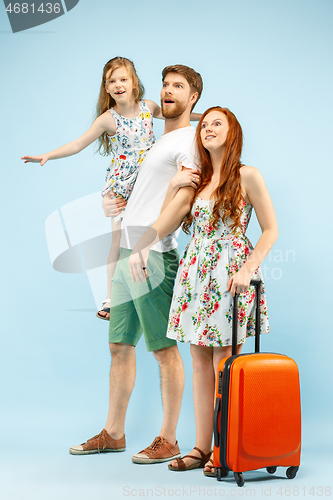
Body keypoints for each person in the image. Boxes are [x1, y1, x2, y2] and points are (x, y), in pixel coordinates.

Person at [129, 106, 278, 474]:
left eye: (217, 123)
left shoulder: (248, 175)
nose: (208, 128)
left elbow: (271, 229)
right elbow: (167, 220)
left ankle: (223, 449)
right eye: (205, 124)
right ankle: (200, 448)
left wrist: (248, 268)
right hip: (195, 274)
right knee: (199, 363)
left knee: (223, 363)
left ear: (233, 133)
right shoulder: (196, 178)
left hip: (231, 275)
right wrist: (141, 246)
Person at [68, 65, 204, 463]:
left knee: (163, 350)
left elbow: (183, 203)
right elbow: (138, 189)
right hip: (127, 249)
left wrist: (149, 241)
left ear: (193, 97)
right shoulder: (156, 138)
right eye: (165, 84)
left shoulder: (189, 142)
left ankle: (169, 439)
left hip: (154, 255)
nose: (168, 91)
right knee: (118, 346)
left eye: (178, 86)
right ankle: (114, 432)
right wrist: (113, 205)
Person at [21, 57, 201, 321]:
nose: (118, 85)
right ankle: (111, 296)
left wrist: (206, 117)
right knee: (118, 241)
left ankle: (155, 283)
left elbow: (176, 113)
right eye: (111, 81)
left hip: (145, 179)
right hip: (122, 183)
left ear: (135, 83)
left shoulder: (148, 107)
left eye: (123, 79)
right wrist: (48, 155)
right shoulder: (108, 119)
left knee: (149, 229)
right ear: (106, 89)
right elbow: (78, 144)